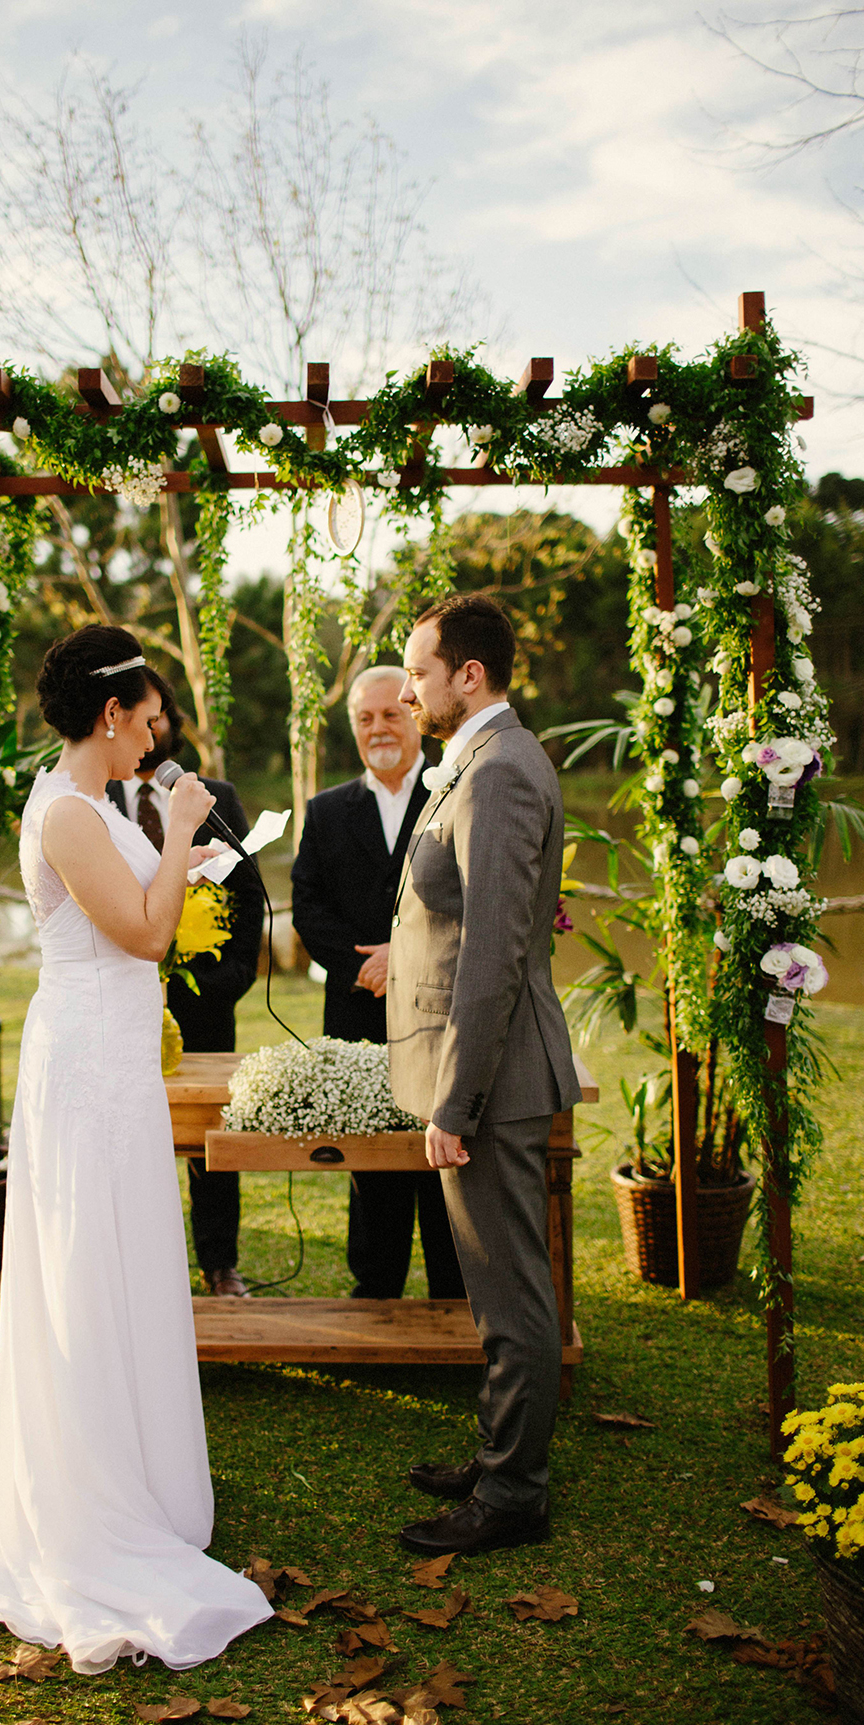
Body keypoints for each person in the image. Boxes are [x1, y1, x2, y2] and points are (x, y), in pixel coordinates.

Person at [0, 624, 272, 1671]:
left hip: (118, 1065)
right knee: (87, 1268)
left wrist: (190, 852)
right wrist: (177, 838)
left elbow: (143, 908)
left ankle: (145, 1466)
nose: (155, 736)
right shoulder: (68, 812)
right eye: (147, 718)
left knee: (127, 1259)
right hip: (84, 1076)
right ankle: (91, 1487)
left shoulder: (101, 804)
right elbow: (146, 935)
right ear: (111, 716)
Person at [386, 593, 581, 1558]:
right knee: (498, 1284)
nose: (410, 688)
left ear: (470, 675)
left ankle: (514, 1495)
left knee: (513, 1293)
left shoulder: (499, 770)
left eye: (419, 672)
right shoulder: (484, 758)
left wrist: (455, 1100)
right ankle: (501, 1453)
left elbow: (495, 954)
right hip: (483, 1072)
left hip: (492, 1080)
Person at [291, 665, 465, 1302]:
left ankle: (453, 1291)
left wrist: (406, 956)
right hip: (357, 1011)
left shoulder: (455, 793)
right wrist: (364, 965)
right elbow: (308, 907)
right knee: (371, 1159)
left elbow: (472, 897)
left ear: (415, 715)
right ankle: (377, 1287)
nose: (378, 728)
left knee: (442, 1157)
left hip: (440, 1012)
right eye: (364, 718)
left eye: (390, 713)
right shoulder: (327, 810)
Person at [107, 669, 263, 1298]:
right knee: (127, 1134)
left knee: (211, 1142)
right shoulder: (97, 803)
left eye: (162, 716)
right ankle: (138, 1272)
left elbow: (248, 899)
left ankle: (220, 1265)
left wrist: (232, 978)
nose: (154, 730)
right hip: (120, 998)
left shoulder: (212, 795)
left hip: (205, 1001)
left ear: (170, 721)